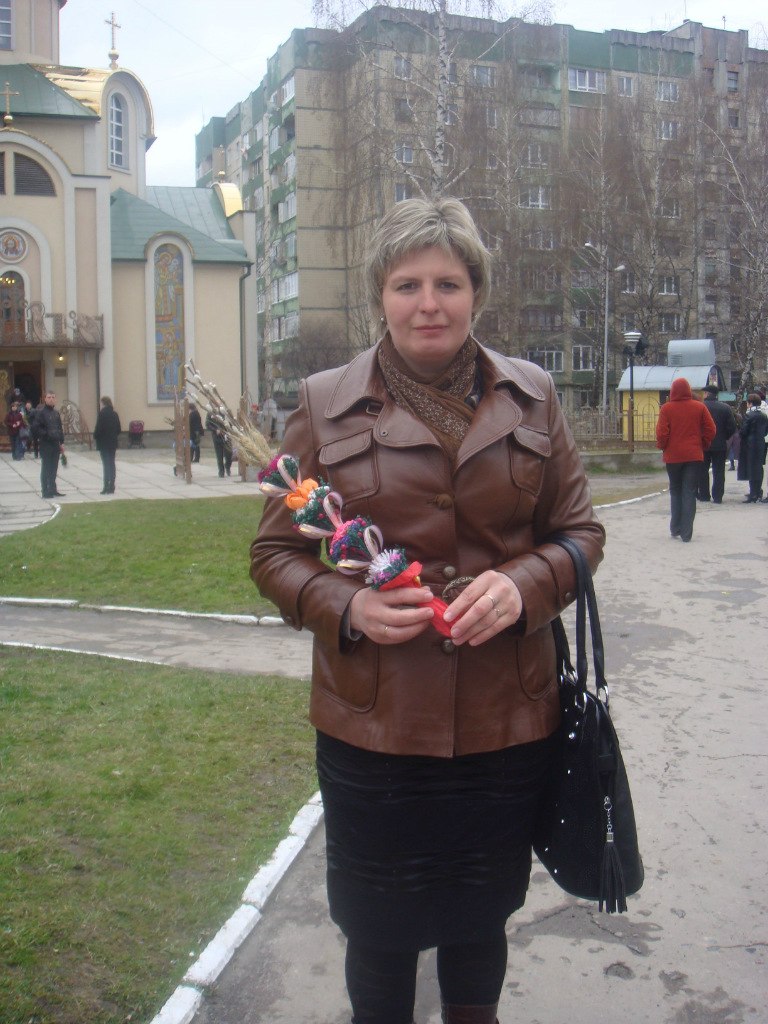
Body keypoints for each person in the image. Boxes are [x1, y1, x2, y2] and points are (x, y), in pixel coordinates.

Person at [251, 197, 606, 1024]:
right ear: (380, 293)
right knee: (378, 929)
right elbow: (274, 554)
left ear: (476, 291)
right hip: (376, 724)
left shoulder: (533, 396)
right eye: (407, 284)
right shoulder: (325, 401)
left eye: (448, 283)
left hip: (504, 718)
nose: (428, 304)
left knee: (481, 917)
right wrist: (349, 606)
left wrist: (524, 585)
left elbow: (580, 533)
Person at [655, 378, 716, 541]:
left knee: (675, 491)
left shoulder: (666, 408)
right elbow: (711, 429)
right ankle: (687, 533)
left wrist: (663, 446)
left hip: (673, 456)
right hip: (694, 455)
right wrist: (703, 443)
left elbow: (662, 433)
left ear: (673, 391)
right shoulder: (699, 407)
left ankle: (675, 528)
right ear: (688, 390)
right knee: (689, 491)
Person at [696, 384, 736, 504]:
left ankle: (704, 495)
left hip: (703, 444)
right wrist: (724, 437)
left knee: (702, 470)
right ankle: (718, 496)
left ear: (706, 394)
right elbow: (732, 427)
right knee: (719, 471)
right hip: (720, 445)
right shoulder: (725, 408)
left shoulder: (700, 407)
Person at [737, 393, 768, 502]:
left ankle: (753, 494)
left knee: (751, 468)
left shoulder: (749, 415)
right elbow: (766, 431)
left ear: (750, 403)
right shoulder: (764, 416)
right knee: (758, 467)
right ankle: (758, 491)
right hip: (760, 444)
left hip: (749, 445)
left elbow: (744, 431)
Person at [36, 391, 66, 498]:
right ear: (45, 399)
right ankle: (45, 490)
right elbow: (36, 428)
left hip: (55, 444)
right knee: (46, 468)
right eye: (49, 397)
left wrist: (61, 442)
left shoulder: (56, 413)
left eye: (53, 397)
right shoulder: (41, 413)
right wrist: (47, 434)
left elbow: (60, 428)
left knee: (54, 468)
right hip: (46, 444)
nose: (51, 399)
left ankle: (53, 489)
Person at [93, 396, 122, 494]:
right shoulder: (115, 414)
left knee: (106, 464)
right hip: (112, 442)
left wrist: (95, 436)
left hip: (103, 443)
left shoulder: (102, 414)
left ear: (103, 404)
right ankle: (112, 485)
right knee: (111, 463)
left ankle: (106, 486)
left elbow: (98, 429)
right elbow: (119, 429)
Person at [206, 409, 233, 477]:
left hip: (227, 436)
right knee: (219, 455)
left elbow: (231, 423)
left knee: (229, 454)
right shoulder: (210, 413)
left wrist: (229, 428)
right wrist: (215, 430)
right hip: (217, 437)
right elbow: (208, 425)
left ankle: (227, 467)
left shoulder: (224, 410)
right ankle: (221, 471)